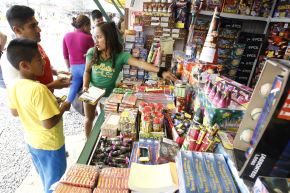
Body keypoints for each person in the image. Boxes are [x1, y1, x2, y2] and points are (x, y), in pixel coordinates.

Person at [83, 22, 177, 138]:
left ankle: (103, 139)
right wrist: (85, 87)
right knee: (89, 119)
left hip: (108, 95)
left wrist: (161, 71)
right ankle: (87, 140)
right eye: (95, 37)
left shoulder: (120, 56)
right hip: (92, 92)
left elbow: (141, 64)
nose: (96, 41)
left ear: (109, 38)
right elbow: (87, 71)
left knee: (107, 121)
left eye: (99, 37)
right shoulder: (92, 52)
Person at [6, 38, 70, 193]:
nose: (43, 61)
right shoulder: (38, 89)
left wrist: (51, 102)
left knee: (45, 176)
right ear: (24, 65)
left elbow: (15, 112)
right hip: (51, 144)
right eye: (38, 59)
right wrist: (63, 107)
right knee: (56, 183)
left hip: (33, 142)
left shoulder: (14, 85)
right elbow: (48, 123)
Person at [2, 5, 70, 90]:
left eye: (37, 25)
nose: (39, 30)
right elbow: (21, 94)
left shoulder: (34, 45)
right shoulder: (10, 58)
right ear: (17, 30)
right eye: (32, 26)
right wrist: (53, 85)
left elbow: (43, 64)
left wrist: (55, 71)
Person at [63, 15, 94, 103]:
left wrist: (69, 69)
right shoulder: (88, 38)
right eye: (89, 26)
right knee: (89, 89)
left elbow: (65, 55)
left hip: (74, 68)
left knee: (72, 90)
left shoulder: (66, 36)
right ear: (85, 25)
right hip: (87, 68)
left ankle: (65, 107)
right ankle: (90, 112)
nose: (90, 28)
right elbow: (94, 54)